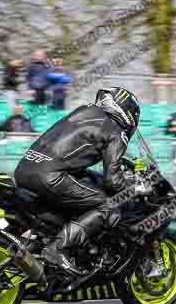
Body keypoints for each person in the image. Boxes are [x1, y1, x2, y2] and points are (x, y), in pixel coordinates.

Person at [14, 87, 140, 275]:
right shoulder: (116, 130)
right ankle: (58, 248)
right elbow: (112, 180)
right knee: (108, 205)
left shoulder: (84, 111)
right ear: (128, 111)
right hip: (50, 176)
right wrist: (134, 187)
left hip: (23, 169)